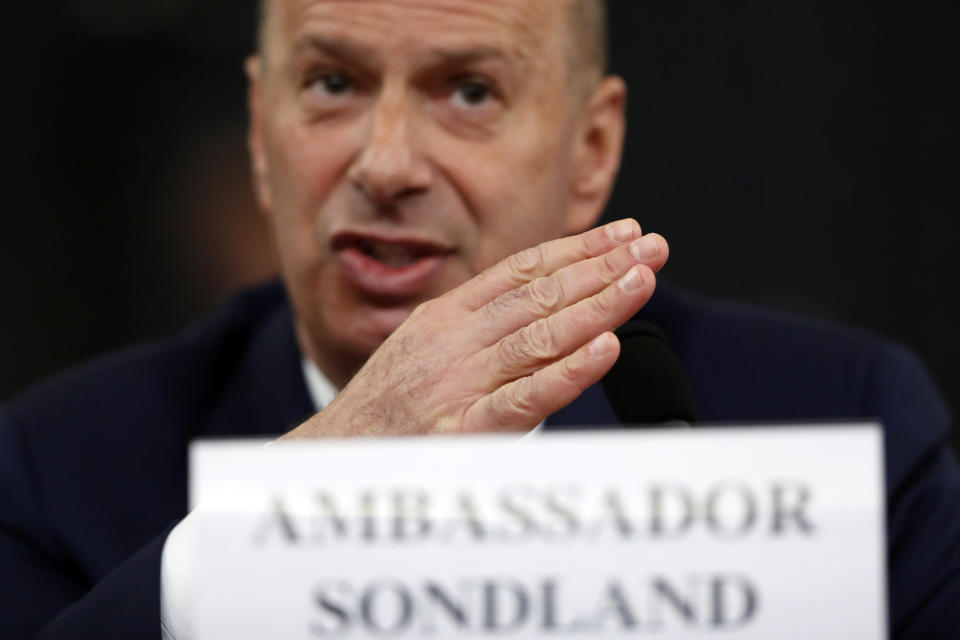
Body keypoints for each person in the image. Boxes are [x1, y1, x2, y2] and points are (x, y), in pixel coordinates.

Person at [0, 1, 957, 638]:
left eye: (469, 92)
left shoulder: (840, 422)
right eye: (332, 83)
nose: (386, 163)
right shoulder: (61, 465)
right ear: (259, 133)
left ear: (591, 150)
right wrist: (287, 515)